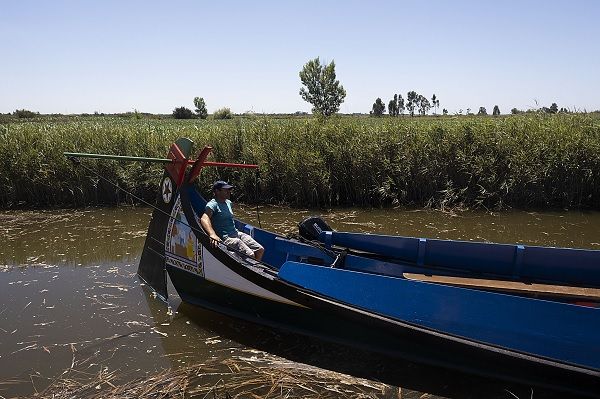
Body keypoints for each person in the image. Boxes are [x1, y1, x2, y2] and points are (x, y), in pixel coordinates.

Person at [200, 180, 264, 261]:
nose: (229, 192)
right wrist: (212, 234)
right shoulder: (213, 204)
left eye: (229, 190)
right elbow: (204, 218)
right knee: (250, 254)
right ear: (217, 191)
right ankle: (249, 269)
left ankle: (254, 267)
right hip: (225, 238)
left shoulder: (228, 203)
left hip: (235, 233)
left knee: (260, 249)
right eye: (226, 190)